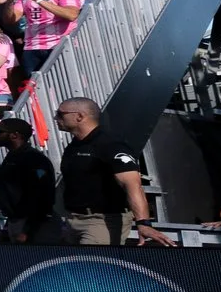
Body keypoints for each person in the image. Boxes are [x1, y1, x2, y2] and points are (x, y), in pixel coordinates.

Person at [51, 99, 173, 246]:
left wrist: (143, 223)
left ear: (80, 116)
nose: (56, 118)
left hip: (102, 221)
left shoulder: (111, 145)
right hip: (72, 220)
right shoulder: (75, 146)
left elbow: (133, 185)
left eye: (60, 114)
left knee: (90, 261)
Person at [0, 117, 57, 241]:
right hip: (16, 221)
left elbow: (43, 192)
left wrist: (28, 229)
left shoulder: (35, 158)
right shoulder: (12, 156)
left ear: (14, 135)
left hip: (32, 224)